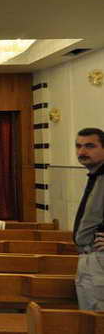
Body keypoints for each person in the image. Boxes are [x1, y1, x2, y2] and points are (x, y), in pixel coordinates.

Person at [73, 127, 104, 310]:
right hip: (89, 257)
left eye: (90, 146)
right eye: (78, 146)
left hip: (99, 258)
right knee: (89, 317)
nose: (82, 151)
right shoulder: (96, 176)